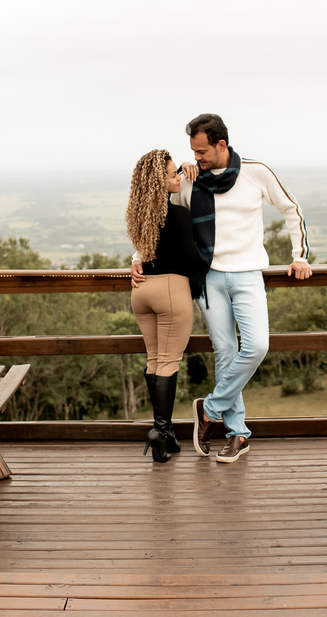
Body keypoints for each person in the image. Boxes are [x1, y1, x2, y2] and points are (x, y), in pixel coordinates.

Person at [132, 114, 311, 463]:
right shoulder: (189, 180)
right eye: (193, 151)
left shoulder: (256, 172)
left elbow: (292, 210)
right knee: (226, 352)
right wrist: (138, 256)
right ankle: (237, 434)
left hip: (247, 275)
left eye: (202, 151)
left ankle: (210, 408)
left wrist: (300, 256)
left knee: (258, 345)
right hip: (207, 277)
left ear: (221, 145)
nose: (196, 157)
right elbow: (154, 215)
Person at [126, 149, 202, 463]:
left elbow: (142, 255)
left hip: (142, 293)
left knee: (155, 360)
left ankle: (165, 432)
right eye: (172, 175)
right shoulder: (179, 216)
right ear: (159, 182)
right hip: (172, 291)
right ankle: (160, 431)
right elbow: (191, 260)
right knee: (169, 363)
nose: (177, 179)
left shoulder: (139, 217)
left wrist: (186, 169)